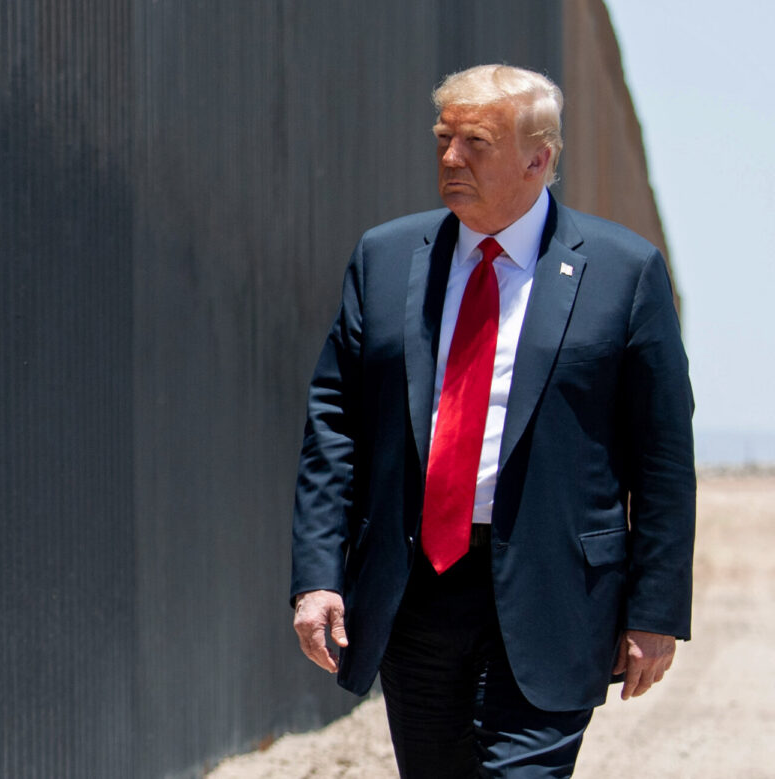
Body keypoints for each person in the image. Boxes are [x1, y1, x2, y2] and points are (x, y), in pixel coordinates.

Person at [290, 64, 694, 777]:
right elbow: (334, 426)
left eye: (475, 142)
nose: (450, 158)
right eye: (443, 138)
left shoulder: (623, 272)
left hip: (556, 591)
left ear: (539, 158)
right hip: (415, 592)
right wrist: (318, 576)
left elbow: (661, 455)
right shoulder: (386, 258)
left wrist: (655, 609)